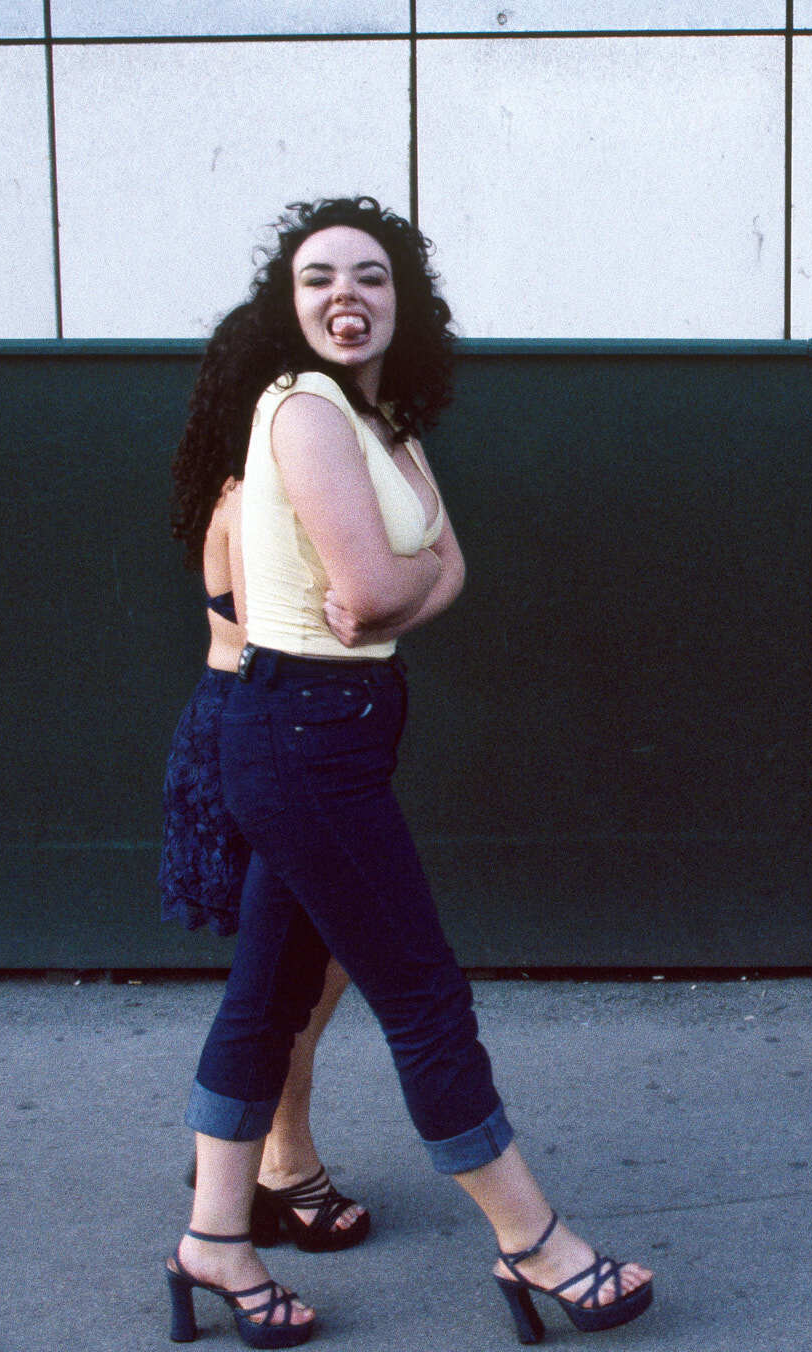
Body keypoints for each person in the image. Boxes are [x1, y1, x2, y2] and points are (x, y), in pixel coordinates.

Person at [163, 197, 652, 1349]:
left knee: (270, 994)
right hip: (298, 732)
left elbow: (438, 572)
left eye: (371, 276)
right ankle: (535, 1242)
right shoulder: (302, 409)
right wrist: (404, 578)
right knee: (422, 994)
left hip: (335, 727)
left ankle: (214, 1240)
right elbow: (383, 591)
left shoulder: (382, 427)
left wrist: (406, 577)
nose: (346, 294)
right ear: (289, 304)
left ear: (403, 300)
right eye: (319, 276)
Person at [161, 459, 368, 1254]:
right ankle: (281, 1165)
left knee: (308, 961)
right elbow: (274, 634)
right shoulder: (251, 497)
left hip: (260, 731)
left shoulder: (251, 489)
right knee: (295, 968)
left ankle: (239, 1141)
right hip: (256, 735)